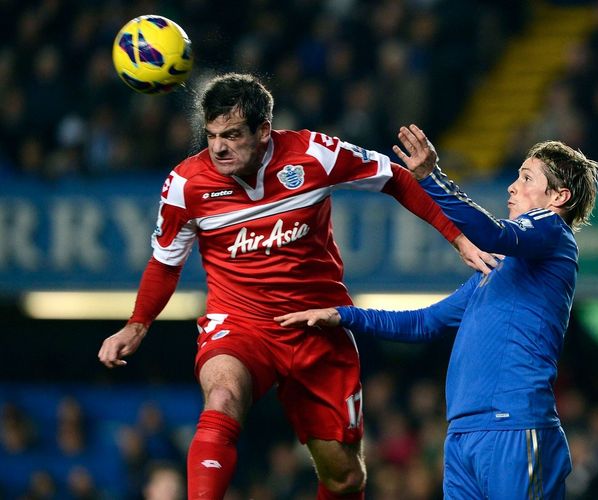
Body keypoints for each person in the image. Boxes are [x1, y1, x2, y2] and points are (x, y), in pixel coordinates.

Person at [97, 74, 495, 500]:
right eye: (211, 136)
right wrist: (136, 325)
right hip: (241, 324)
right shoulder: (185, 184)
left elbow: (394, 177)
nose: (218, 147)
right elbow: (164, 263)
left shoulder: (314, 154)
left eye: (231, 135)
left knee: (345, 478)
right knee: (223, 394)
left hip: (318, 324)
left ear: (264, 130)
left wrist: (456, 237)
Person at [276, 125, 598, 499]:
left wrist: (431, 178)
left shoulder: (554, 233)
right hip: (464, 435)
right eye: (516, 176)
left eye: (526, 178)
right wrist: (343, 314)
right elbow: (423, 322)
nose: (512, 187)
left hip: (515, 427)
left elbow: (493, 233)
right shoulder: (496, 271)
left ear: (559, 196)